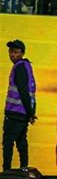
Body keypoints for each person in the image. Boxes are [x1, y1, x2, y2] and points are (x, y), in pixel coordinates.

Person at [3, 40, 37, 172]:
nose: (12, 55)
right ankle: (24, 170)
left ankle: (6, 172)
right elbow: (30, 92)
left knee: (8, 142)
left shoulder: (20, 67)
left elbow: (23, 91)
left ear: (22, 53)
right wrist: (30, 112)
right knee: (21, 141)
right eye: (10, 52)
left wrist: (30, 113)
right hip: (22, 112)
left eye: (16, 52)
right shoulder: (26, 66)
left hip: (15, 112)